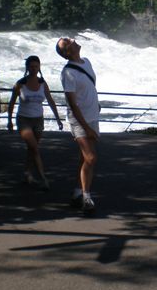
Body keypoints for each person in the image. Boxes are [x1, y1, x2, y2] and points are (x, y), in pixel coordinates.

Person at [56, 36, 100, 215]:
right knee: (91, 158)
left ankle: (77, 192)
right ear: (67, 51)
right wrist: (86, 128)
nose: (72, 40)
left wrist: (96, 104)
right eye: (67, 41)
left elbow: (90, 86)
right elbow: (72, 104)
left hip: (93, 116)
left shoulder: (86, 62)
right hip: (78, 120)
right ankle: (86, 198)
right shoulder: (67, 73)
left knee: (84, 158)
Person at [8, 55, 63, 190]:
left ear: (39, 68)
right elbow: (12, 103)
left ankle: (27, 173)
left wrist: (58, 119)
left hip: (38, 119)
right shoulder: (20, 84)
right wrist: (9, 120)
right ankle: (43, 178)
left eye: (36, 66)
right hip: (23, 119)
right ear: (27, 68)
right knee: (35, 148)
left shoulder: (43, 83)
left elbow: (50, 101)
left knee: (32, 148)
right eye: (31, 66)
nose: (34, 69)